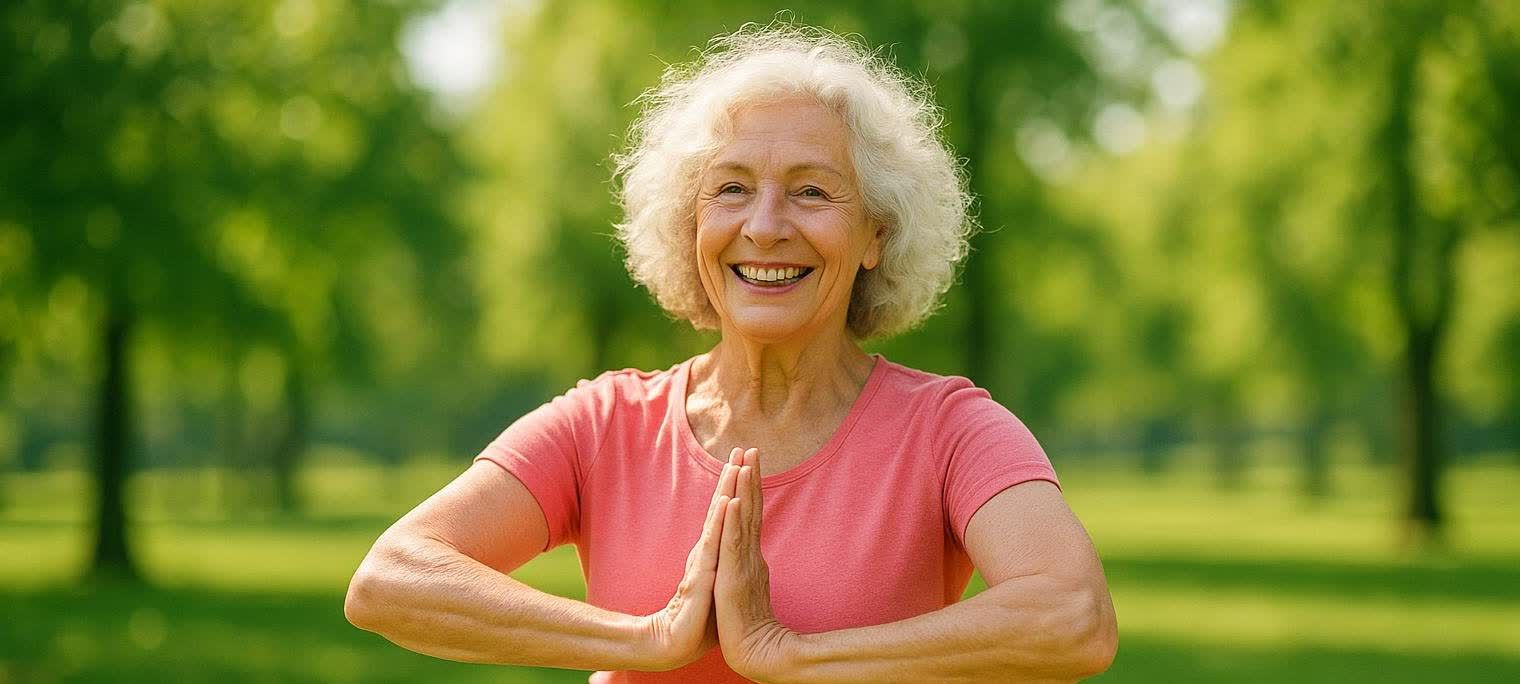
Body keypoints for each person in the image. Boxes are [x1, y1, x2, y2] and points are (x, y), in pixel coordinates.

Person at [345, 24, 1117, 683]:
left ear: (876, 234)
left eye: (812, 192)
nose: (767, 226)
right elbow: (391, 579)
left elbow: (1073, 615)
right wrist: (647, 640)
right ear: (691, 224)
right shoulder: (604, 424)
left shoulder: (949, 430)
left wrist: (790, 655)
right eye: (733, 189)